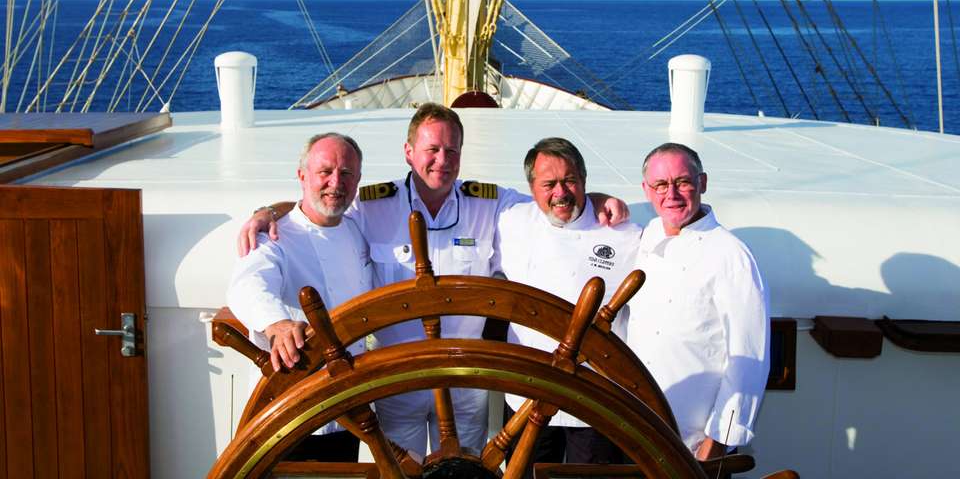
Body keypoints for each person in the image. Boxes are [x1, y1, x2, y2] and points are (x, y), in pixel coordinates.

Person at [234, 103, 631, 458]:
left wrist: (595, 199)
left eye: (451, 151)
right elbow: (317, 210)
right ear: (409, 152)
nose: (442, 160)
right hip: (395, 380)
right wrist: (268, 212)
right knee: (399, 470)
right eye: (432, 149)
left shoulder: (489, 203)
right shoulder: (372, 205)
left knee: (463, 471)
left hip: (465, 381)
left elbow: (551, 202)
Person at [494, 137, 643, 469]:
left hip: (594, 400)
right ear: (532, 189)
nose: (560, 192)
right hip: (526, 392)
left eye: (570, 180)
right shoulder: (510, 221)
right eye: (549, 184)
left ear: (584, 180)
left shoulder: (626, 235)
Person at [227, 132, 372, 462]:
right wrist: (276, 324)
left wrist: (268, 208)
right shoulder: (273, 236)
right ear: (302, 176)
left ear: (358, 180)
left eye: (346, 173)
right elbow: (247, 284)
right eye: (325, 172)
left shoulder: (358, 229)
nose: (336, 183)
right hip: (290, 405)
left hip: (345, 405)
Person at [628, 142, 769, 460]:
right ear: (646, 191)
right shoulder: (648, 235)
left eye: (682, 182)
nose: (671, 194)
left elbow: (748, 359)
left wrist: (717, 442)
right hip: (637, 429)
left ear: (702, 183)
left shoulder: (731, 255)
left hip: (694, 446)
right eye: (661, 185)